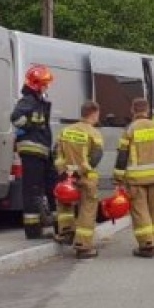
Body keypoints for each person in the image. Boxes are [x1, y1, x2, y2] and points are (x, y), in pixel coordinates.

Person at [115, 97, 154, 258]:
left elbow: (122, 156)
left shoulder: (130, 129)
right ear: (147, 110)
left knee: (140, 211)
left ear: (133, 110)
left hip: (136, 179)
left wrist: (118, 176)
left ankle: (146, 244)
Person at [55, 101, 106, 260]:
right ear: (94, 113)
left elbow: (56, 153)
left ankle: (66, 233)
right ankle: (83, 246)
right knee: (87, 209)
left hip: (66, 175)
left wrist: (64, 172)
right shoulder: (94, 133)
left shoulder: (65, 131)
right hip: (86, 176)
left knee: (64, 204)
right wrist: (80, 171)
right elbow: (96, 156)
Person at [11, 64, 56, 240]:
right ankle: (32, 231)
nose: (47, 87)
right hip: (32, 151)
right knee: (32, 191)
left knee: (47, 186)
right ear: (37, 84)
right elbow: (15, 118)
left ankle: (55, 225)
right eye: (45, 83)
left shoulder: (37, 101)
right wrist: (32, 126)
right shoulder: (28, 101)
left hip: (41, 151)